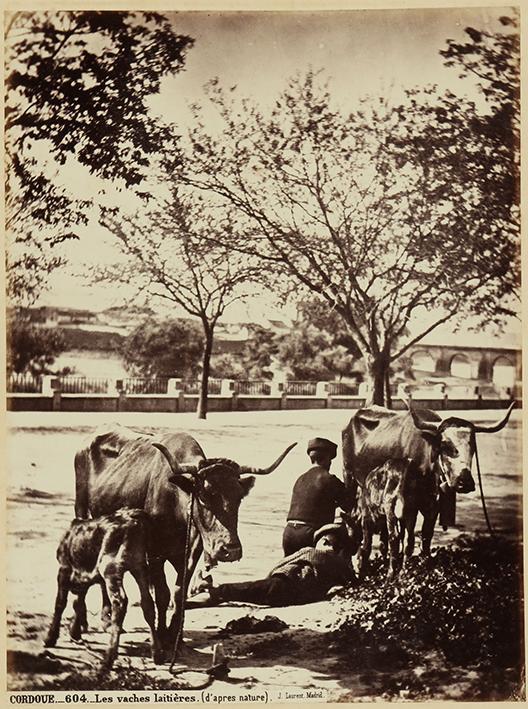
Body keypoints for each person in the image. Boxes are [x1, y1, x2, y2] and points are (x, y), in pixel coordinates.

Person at [188, 523, 355, 608]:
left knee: (239, 590)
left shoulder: (313, 552)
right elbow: (351, 582)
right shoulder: (338, 567)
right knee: (243, 593)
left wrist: (268, 576)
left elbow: (284, 562)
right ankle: (208, 592)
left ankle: (206, 592)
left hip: (283, 585)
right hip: (297, 597)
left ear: (325, 541)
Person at [282, 437, 354, 556]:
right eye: (330, 460)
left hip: (289, 533)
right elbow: (348, 505)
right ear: (327, 459)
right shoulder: (329, 479)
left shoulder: (300, 479)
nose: (330, 463)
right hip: (309, 533)